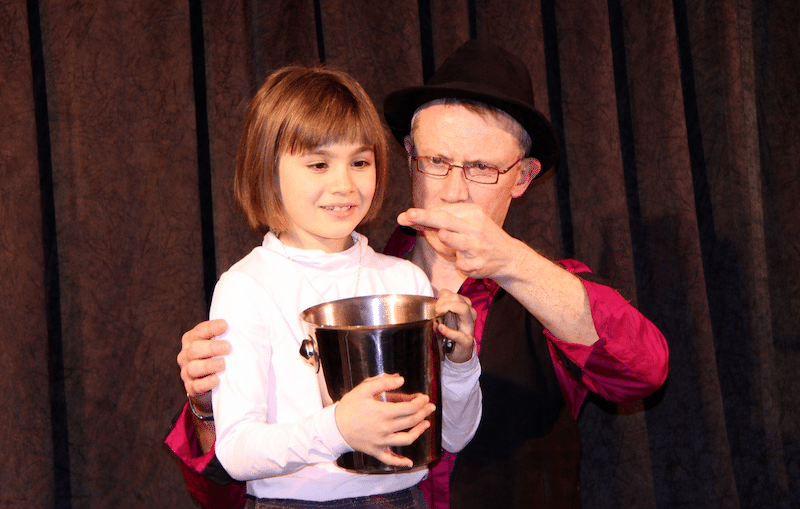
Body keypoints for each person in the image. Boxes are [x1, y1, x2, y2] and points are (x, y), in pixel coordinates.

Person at [168, 40, 669, 509]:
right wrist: (206, 409)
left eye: (480, 168)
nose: (453, 191)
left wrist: (508, 265)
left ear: (522, 177)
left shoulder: (551, 290)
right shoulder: (366, 281)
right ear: (408, 157)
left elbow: (642, 372)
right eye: (435, 161)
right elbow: (224, 486)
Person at [172, 65, 482, 509]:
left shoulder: (404, 280)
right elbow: (236, 450)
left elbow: (452, 434)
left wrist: (460, 364)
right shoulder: (246, 286)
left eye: (360, 162)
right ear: (268, 170)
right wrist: (338, 429)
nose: (344, 184)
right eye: (318, 164)